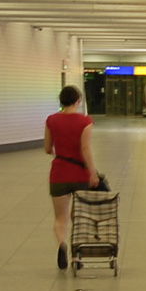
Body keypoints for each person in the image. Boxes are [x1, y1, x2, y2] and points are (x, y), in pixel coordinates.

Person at [45, 85, 98, 270]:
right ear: (78, 101)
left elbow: (47, 148)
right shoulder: (85, 121)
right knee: (79, 216)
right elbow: (85, 149)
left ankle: (61, 244)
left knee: (61, 218)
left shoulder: (51, 120)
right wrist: (93, 173)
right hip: (79, 174)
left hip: (59, 173)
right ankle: (76, 257)